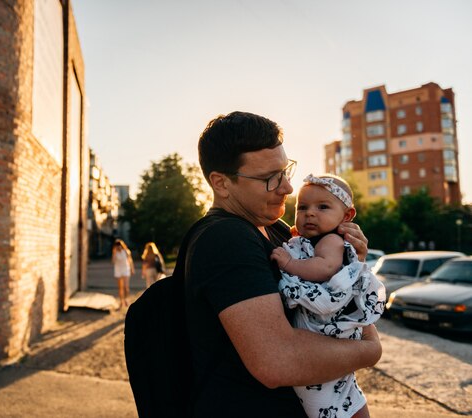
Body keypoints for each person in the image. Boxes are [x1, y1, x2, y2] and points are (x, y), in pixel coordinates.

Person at [182, 111, 381, 417]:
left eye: (286, 171)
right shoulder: (225, 238)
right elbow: (277, 361)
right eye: (270, 178)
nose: (288, 187)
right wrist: (370, 350)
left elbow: (334, 305)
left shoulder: (277, 230)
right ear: (221, 183)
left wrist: (351, 265)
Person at [270, 174, 386, 418]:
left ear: (346, 217)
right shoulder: (310, 239)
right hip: (325, 341)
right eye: (302, 207)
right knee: (343, 394)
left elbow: (324, 268)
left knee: (327, 398)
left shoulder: (332, 240)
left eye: (322, 207)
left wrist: (290, 262)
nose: (310, 213)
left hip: (327, 322)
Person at [112, 239, 134, 309]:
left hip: (126, 270)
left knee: (126, 287)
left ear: (122, 245)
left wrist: (132, 269)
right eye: (117, 246)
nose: (119, 247)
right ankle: (121, 301)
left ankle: (126, 299)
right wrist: (114, 253)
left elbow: (130, 260)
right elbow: (113, 262)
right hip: (118, 270)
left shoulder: (126, 251)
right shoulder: (115, 253)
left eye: (120, 245)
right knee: (120, 287)